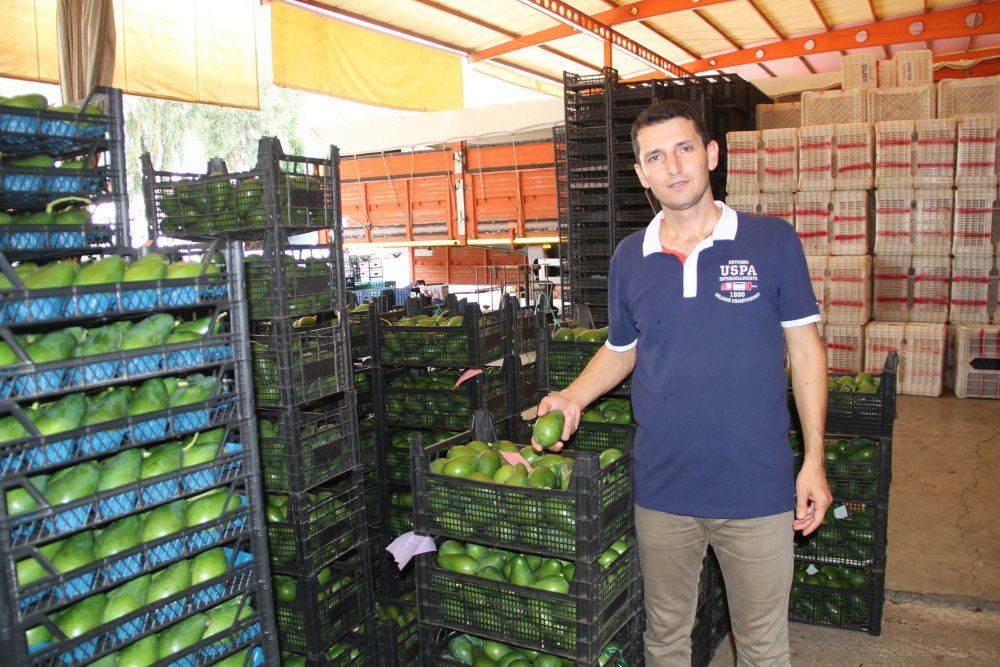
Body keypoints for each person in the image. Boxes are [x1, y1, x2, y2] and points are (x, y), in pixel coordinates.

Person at [533, 100, 831, 666]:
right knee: (665, 638)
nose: (673, 166)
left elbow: (806, 351)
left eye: (684, 148)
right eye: (655, 157)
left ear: (711, 154)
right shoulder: (630, 257)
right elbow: (622, 348)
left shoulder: (771, 241)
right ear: (641, 174)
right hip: (665, 487)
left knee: (764, 647)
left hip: (756, 485)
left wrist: (814, 458)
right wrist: (572, 397)